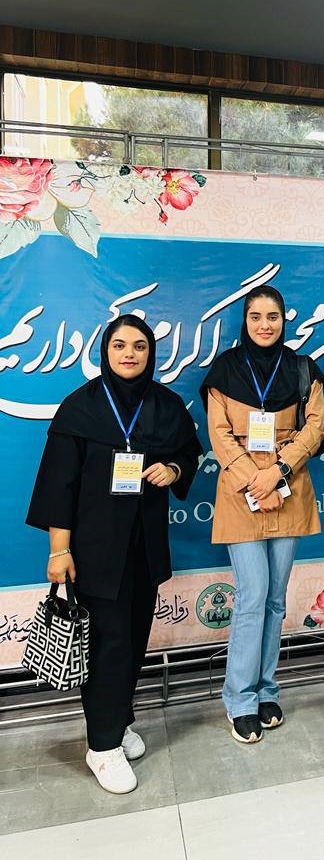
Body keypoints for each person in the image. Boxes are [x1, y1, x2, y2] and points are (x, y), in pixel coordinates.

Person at [26, 316, 201, 794]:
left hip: (144, 547)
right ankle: (101, 747)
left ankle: (118, 722)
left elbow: (190, 454)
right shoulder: (79, 408)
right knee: (108, 645)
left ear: (151, 353)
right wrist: (59, 550)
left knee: (134, 639)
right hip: (94, 550)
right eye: (120, 345)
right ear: (105, 351)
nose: (129, 354)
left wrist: (172, 468)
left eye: (139, 346)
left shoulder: (165, 405)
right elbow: (58, 486)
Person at [201, 286, 324, 745]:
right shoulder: (224, 371)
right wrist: (255, 479)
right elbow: (219, 434)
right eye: (256, 317)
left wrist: (277, 472)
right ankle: (239, 698)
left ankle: (267, 690)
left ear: (284, 319)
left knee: (275, 599)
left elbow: (315, 428)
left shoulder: (302, 369)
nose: (265, 325)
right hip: (241, 493)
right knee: (252, 596)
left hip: (288, 487)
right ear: (245, 321)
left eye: (273, 316)